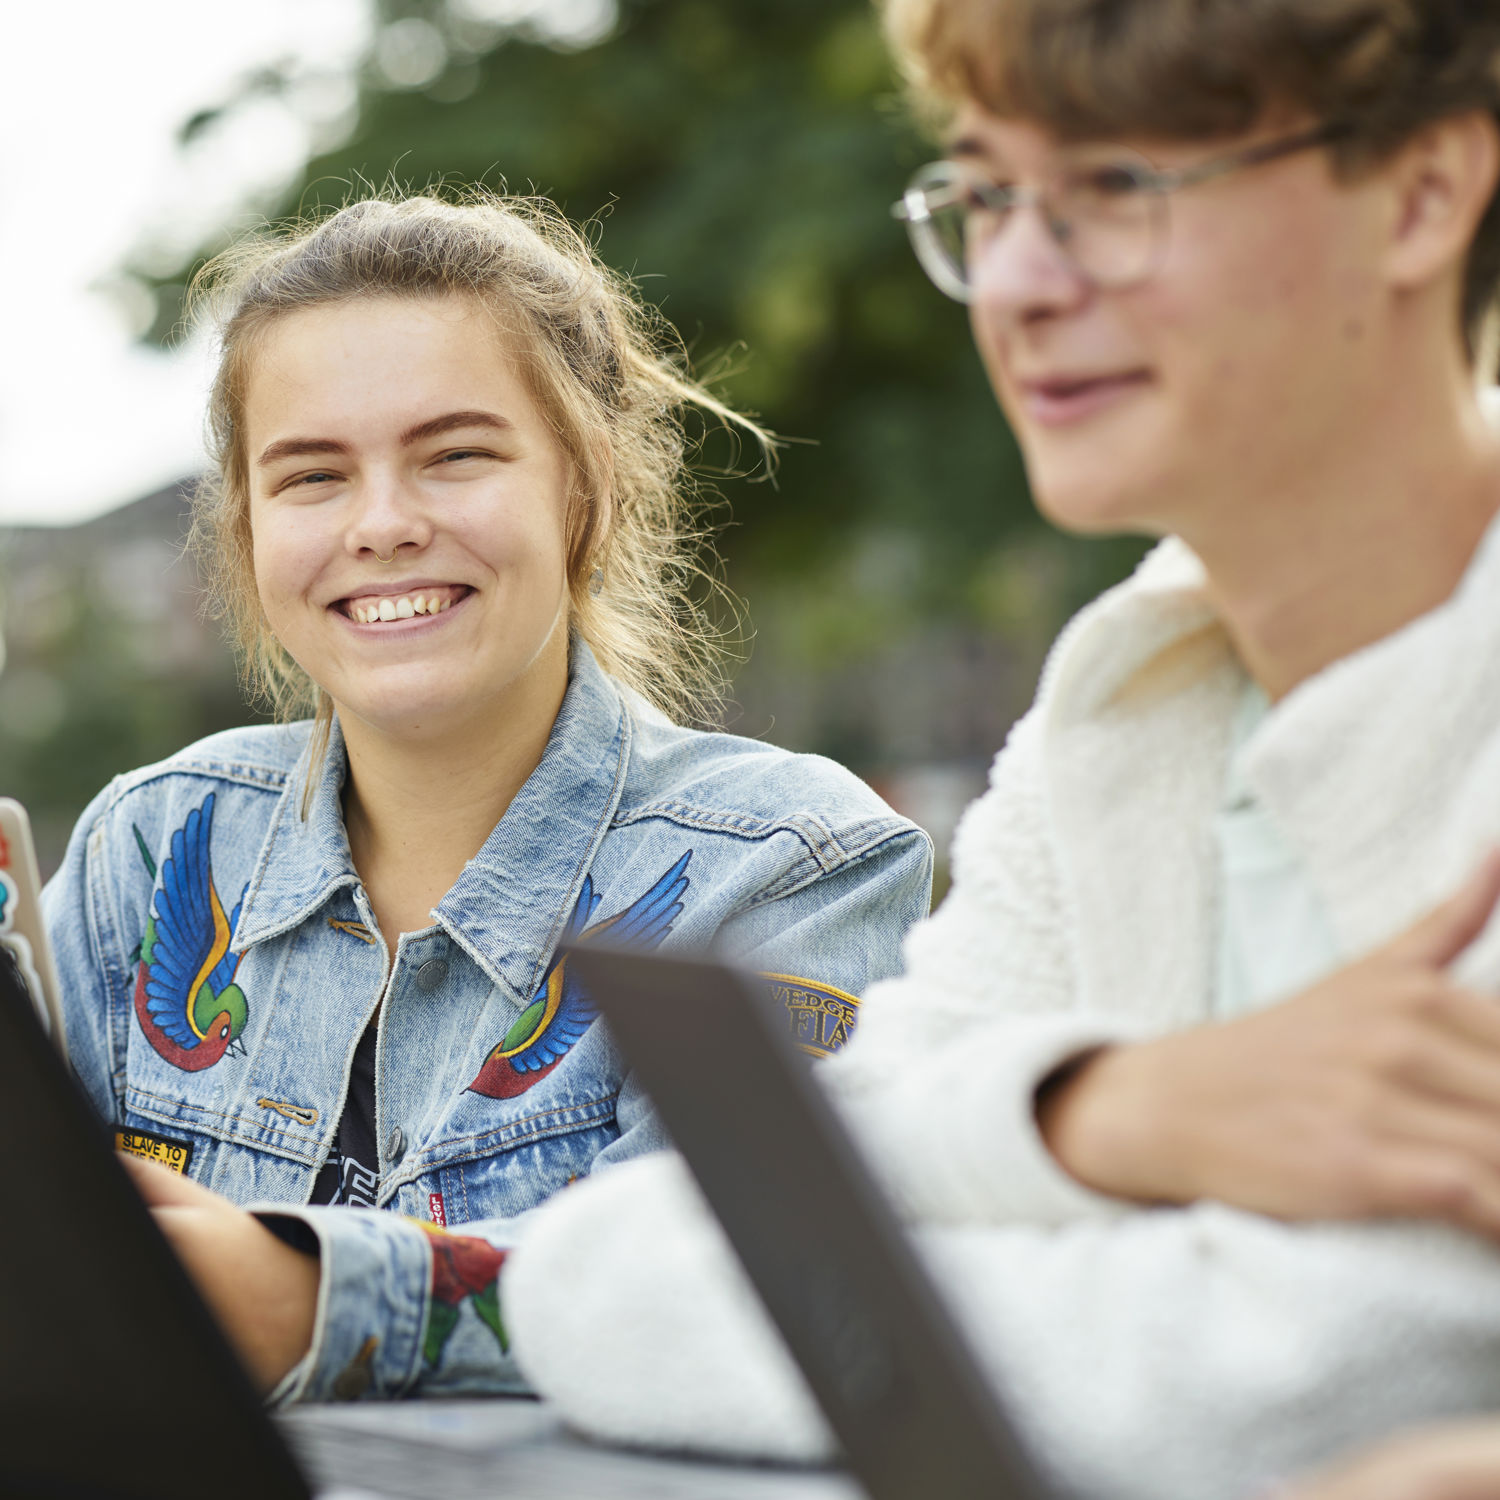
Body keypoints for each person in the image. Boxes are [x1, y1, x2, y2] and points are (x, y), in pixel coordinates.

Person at [496, 2, 1500, 1495]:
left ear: (1421, 195)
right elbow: (587, 1273)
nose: (1018, 283)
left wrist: (934, 1217)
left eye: (1118, 190)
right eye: (987, 197)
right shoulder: (1124, 711)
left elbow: (1317, 1378)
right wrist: (1100, 1113)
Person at [40, 192, 932, 1404]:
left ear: (583, 482)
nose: (385, 525)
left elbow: (762, 1298)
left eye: (455, 455)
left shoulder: (793, 867)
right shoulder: (149, 848)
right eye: (311, 476)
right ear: (247, 527)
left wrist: (311, 1295)